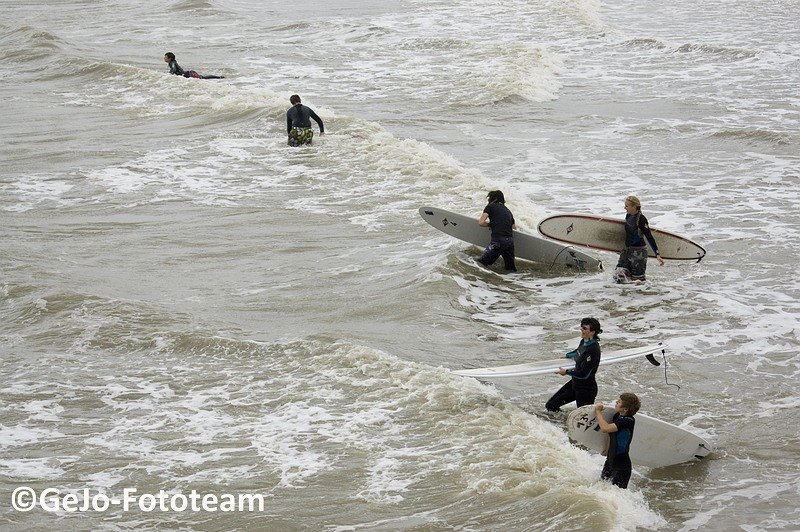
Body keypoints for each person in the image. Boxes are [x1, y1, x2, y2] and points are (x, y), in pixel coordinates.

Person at [545, 317, 602, 412]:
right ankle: (562, 424)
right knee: (551, 405)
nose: (581, 329)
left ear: (592, 332)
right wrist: (567, 356)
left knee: (582, 419)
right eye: (581, 327)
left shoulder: (593, 350)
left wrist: (566, 372)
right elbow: (578, 352)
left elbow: (584, 374)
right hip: (575, 384)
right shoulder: (584, 341)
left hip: (586, 389)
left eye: (584, 328)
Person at [614, 195, 665, 284]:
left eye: (626, 206)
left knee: (638, 281)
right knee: (619, 275)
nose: (624, 208)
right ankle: (622, 296)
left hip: (639, 253)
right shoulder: (628, 216)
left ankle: (641, 296)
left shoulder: (642, 219)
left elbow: (649, 237)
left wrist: (657, 254)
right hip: (627, 250)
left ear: (634, 207)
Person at [595, 392, 641, 489]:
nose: (616, 402)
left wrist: (598, 412)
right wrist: (606, 449)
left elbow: (605, 428)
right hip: (610, 460)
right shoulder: (617, 416)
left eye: (619, 402)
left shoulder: (628, 421)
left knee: (615, 495)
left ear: (626, 408)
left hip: (621, 466)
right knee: (601, 488)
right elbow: (611, 436)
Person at [477, 190, 517, 272]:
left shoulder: (490, 207)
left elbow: (481, 223)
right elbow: (514, 227)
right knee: (510, 270)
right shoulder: (508, 211)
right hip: (509, 242)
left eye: (489, 198)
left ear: (494, 199)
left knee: (480, 265)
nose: (488, 200)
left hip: (498, 241)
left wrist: (490, 224)